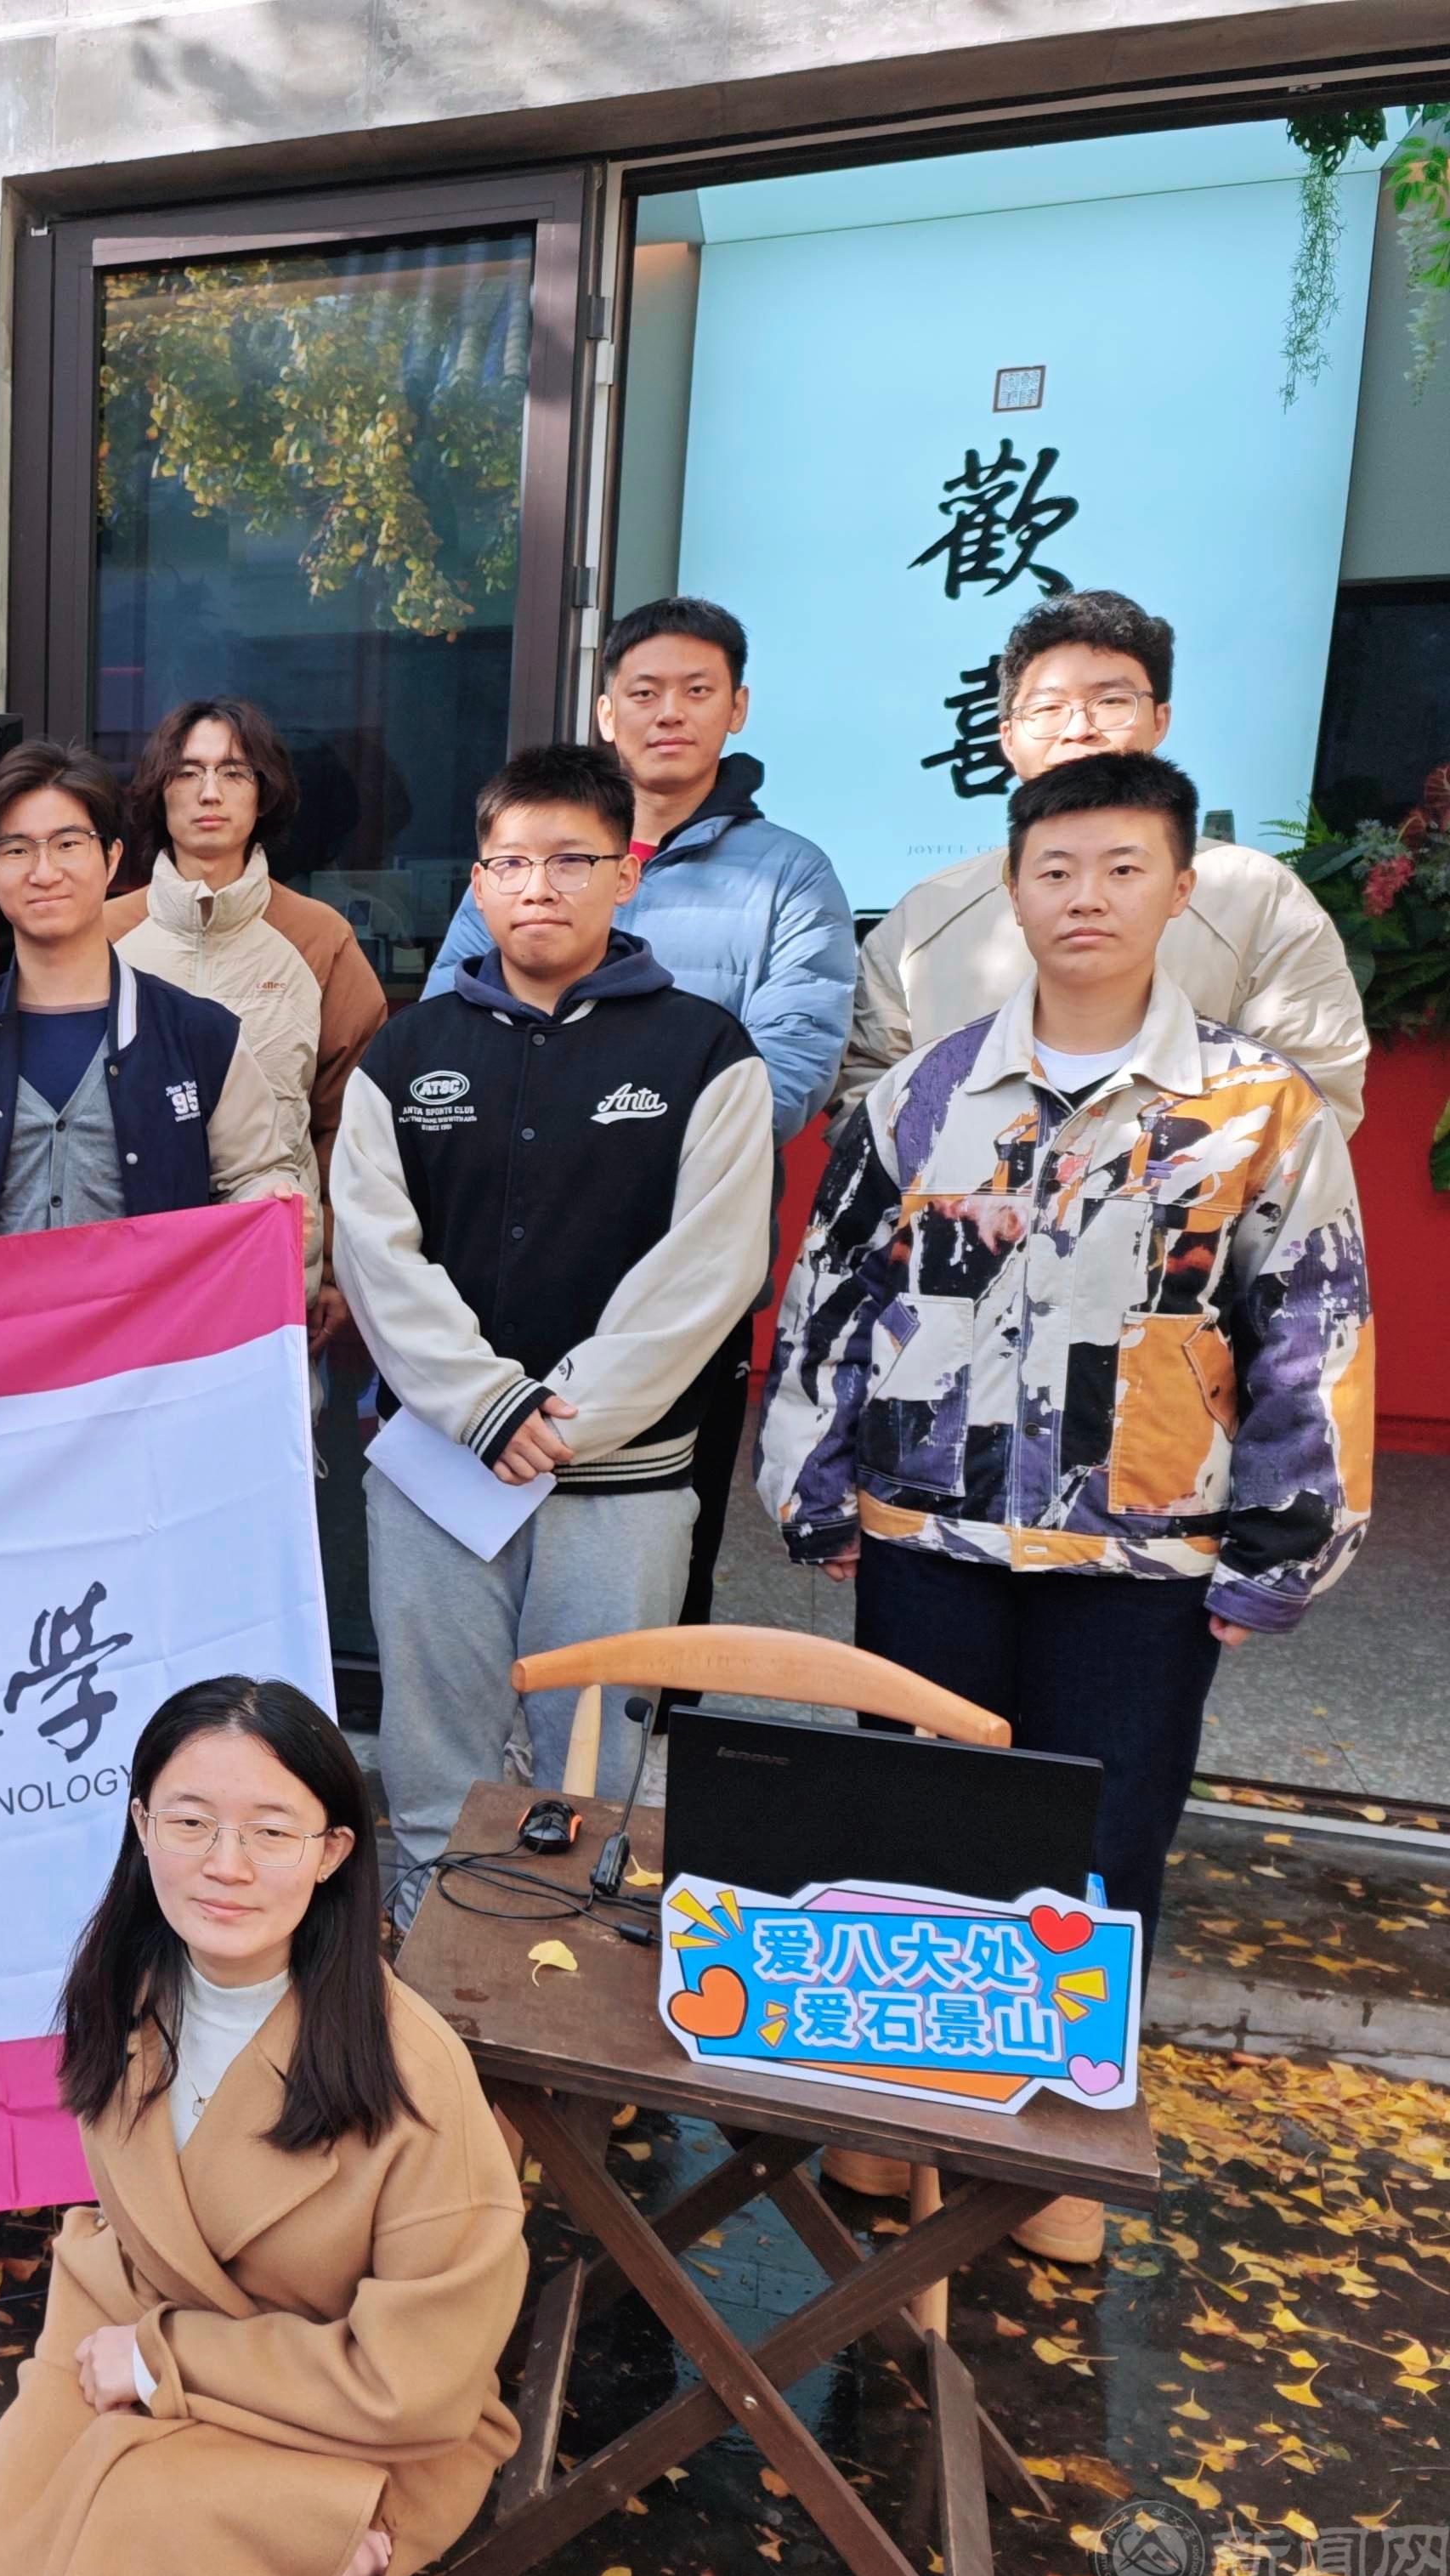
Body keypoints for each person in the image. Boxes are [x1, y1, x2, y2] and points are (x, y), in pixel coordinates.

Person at [760, 752, 1371, 2262]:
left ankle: (1052, 2151)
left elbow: (1311, 1330)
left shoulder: (1255, 1107)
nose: (1085, 896)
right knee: (915, 1828)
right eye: (1055, 869)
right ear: (1012, 892)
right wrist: (812, 1486)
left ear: (1179, 889)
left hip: (1142, 1557)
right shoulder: (920, 1096)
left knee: (1105, 1846)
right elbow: (831, 1299)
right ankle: (896, 2110)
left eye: (1121, 867)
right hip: (931, 1535)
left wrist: (1279, 1553)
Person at [0, 1676, 525, 2576]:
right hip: (134, 2350)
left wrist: (165, 2359)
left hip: (358, 2428)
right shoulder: (126, 1991)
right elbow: (127, 2248)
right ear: (141, 1826)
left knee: (122, 2553)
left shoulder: (413, 2073)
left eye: (271, 1832)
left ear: (331, 1852)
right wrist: (91, 2375)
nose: (225, 1866)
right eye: (190, 1822)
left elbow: (417, 2382)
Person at [331, 745, 775, 1922]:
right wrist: (483, 1406)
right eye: (513, 862)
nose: (541, 886)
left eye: (573, 860)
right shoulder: (406, 1052)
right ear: (477, 883)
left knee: (595, 1768)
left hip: (618, 1482)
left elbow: (711, 1266)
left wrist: (559, 1419)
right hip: (438, 1470)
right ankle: (435, 1981)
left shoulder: (703, 1051)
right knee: (433, 1753)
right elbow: (375, 1253)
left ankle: (572, 2003)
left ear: (626, 875)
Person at [431, 597, 855, 1641]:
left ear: (736, 708)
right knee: (463, 1566)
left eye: (696, 691)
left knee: (655, 1573)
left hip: (680, 1277)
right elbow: (445, 1035)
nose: (669, 712)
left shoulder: (791, 875)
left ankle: (637, 1745)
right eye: (644, 691)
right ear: (604, 709)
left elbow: (788, 1074)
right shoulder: (527, 858)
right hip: (495, 1270)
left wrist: (598, 1156)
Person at [839, 589, 1368, 1129]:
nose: (1079, 729)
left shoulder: (1257, 896)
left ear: (1160, 720)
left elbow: (1312, 1096)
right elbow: (869, 1097)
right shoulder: (927, 913)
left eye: (1111, 702)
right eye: (1048, 708)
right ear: (1008, 739)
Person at [0, 740, 300, 1254]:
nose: (44, 872)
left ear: (111, 859)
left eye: (68, 843)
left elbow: (254, 1177)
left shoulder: (203, 1037)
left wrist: (270, 1196)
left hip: (153, 1311)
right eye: (17, 850)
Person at [103, 697, 391, 1321]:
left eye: (234, 772)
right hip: (127, 1283)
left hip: (273, 1277)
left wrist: (334, 1265)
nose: (210, 792)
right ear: (158, 793)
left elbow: (351, 1126)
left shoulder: (320, 937)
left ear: (263, 795)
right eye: (187, 772)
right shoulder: (101, 936)